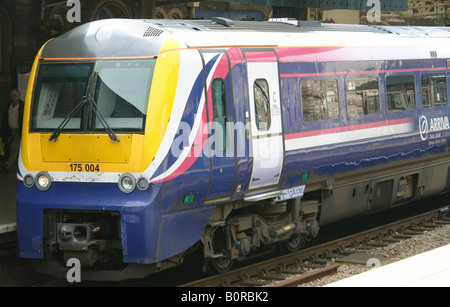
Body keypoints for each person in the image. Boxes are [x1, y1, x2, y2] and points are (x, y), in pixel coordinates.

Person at [0, 89, 24, 172]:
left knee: (14, 147)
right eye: (12, 96)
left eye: (15, 95)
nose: (14, 97)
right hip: (10, 129)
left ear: (19, 96)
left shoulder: (22, 106)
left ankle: (8, 164)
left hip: (18, 129)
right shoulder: (9, 105)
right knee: (12, 147)